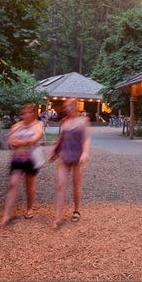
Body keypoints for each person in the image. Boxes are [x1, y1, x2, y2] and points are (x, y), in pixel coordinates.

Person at [0, 102, 45, 226]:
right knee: (12, 184)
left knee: (29, 184)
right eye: (25, 113)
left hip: (31, 158)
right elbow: (10, 141)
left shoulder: (38, 124)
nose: (28, 115)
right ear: (21, 114)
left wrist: (20, 141)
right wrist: (24, 142)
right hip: (17, 159)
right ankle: (7, 213)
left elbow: (35, 138)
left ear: (34, 113)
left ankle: (29, 208)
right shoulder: (16, 126)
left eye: (30, 112)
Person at [49, 98, 90, 229]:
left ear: (76, 106)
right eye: (67, 106)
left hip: (78, 157)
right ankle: (57, 215)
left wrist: (85, 153)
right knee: (61, 185)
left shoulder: (83, 121)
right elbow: (60, 139)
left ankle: (77, 210)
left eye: (71, 105)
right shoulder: (63, 121)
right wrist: (53, 152)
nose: (69, 108)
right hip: (64, 156)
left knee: (76, 185)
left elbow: (86, 139)